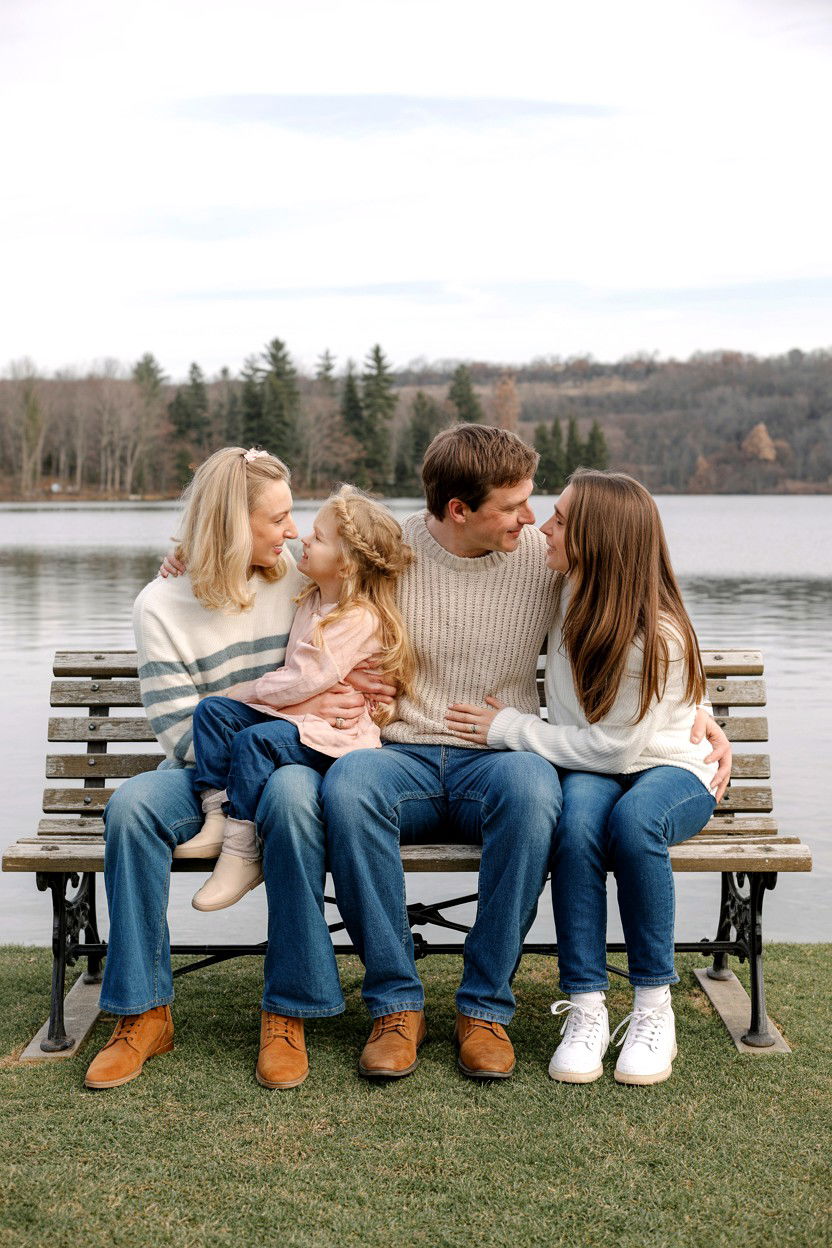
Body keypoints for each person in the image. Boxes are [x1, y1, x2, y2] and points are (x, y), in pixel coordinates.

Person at [322, 427, 732, 1082]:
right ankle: (396, 1005)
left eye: (538, 506)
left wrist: (699, 712)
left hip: (501, 756)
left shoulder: (545, 561)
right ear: (459, 510)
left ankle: (483, 1007)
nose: (533, 521)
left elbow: (637, 615)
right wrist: (185, 565)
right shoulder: (389, 550)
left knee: (541, 794)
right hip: (402, 750)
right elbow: (301, 572)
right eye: (514, 506)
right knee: (346, 788)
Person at [84, 448, 388, 1092]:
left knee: (289, 800)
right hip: (206, 767)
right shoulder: (159, 605)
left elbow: (369, 565)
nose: (293, 532)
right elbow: (178, 727)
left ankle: (288, 1012)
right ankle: (143, 1012)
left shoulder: (293, 579)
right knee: (132, 807)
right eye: (277, 519)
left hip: (286, 759)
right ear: (229, 524)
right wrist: (298, 709)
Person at [446, 469, 722, 1086]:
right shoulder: (564, 581)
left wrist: (508, 728)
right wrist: (184, 566)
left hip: (669, 766)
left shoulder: (657, 635)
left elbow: (618, 751)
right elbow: (430, 546)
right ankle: (588, 1007)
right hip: (592, 760)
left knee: (633, 822)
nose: (544, 526)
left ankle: (654, 1006)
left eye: (562, 519)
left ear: (598, 538)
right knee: (574, 829)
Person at [186, 485, 413, 912]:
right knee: (213, 713)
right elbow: (224, 554)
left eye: (318, 537)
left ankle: (241, 852)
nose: (301, 539)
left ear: (345, 566)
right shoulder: (312, 596)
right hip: (301, 722)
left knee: (253, 741)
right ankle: (217, 814)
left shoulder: (357, 617)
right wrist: (184, 557)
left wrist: (243, 692)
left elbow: (302, 680)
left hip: (335, 740)